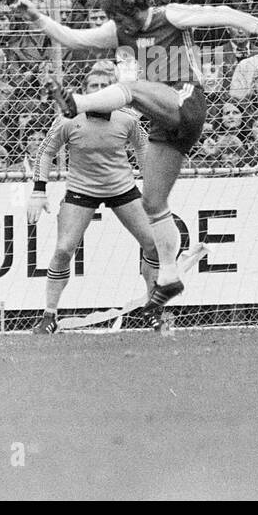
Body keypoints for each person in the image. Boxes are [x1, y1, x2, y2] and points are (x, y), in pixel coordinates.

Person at [17, 0, 258, 314]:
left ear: (139, 10)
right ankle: (169, 275)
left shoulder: (171, 15)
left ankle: (78, 103)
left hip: (187, 102)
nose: (118, 26)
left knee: (131, 86)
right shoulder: (120, 30)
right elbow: (75, 39)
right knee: (153, 202)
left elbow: (221, 12)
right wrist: (37, 17)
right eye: (115, 20)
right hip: (164, 119)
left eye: (122, 19)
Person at [27, 68, 158, 334]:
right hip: (81, 190)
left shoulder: (128, 118)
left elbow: (144, 146)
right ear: (85, 91)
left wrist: (153, 185)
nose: (99, 90)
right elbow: (45, 152)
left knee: (153, 244)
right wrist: (39, 191)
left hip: (121, 188)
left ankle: (154, 308)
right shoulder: (68, 119)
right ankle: (49, 315)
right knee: (63, 250)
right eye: (94, 85)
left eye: (104, 86)